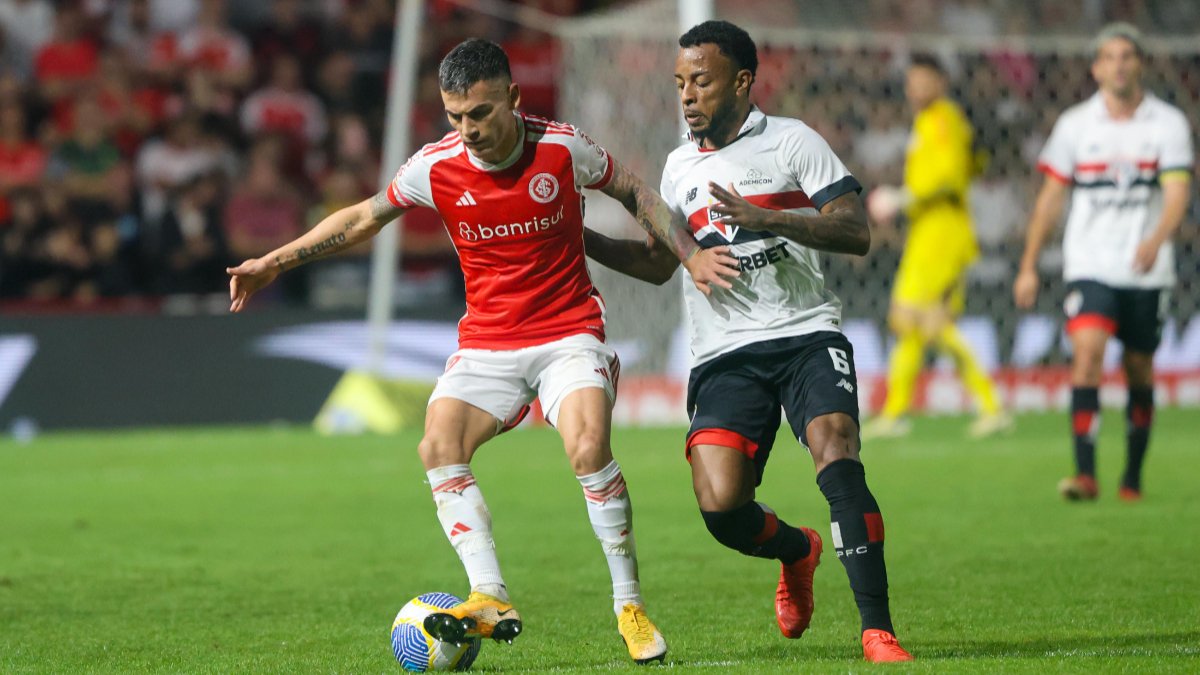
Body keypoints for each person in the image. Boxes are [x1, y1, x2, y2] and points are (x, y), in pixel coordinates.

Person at [226, 38, 737, 664]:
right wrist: (273, 262)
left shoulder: (562, 146)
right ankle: (489, 594)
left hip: (567, 332)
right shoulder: (436, 166)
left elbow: (633, 190)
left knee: (587, 446)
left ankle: (628, 606)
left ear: (514, 99)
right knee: (438, 443)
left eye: (480, 114)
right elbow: (362, 216)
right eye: (455, 117)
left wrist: (689, 254)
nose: (468, 130)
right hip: (488, 342)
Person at [583, 21, 912, 663]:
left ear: (740, 81)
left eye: (700, 81)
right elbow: (658, 264)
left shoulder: (794, 142)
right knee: (721, 506)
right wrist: (580, 238)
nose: (687, 95)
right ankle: (798, 550)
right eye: (679, 83)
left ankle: (878, 629)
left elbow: (855, 231)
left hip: (806, 333)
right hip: (724, 353)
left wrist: (769, 218)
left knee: (836, 448)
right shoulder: (679, 166)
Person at [1013, 23, 1192, 502]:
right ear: (1095, 68)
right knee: (1087, 356)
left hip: (1145, 267)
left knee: (1139, 369)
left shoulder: (1167, 124)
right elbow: (1051, 198)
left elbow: (1177, 192)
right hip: (1089, 264)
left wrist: (1157, 237)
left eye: (1127, 55)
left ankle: (1132, 477)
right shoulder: (1075, 125)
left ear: (1140, 64)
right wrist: (1029, 263)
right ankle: (1086, 474)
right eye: (1109, 56)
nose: (1118, 64)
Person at [862, 54, 1010, 439]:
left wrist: (900, 198)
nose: (915, 88)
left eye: (923, 80)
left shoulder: (943, 119)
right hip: (928, 231)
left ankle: (991, 404)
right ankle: (895, 413)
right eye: (911, 81)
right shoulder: (927, 121)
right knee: (911, 324)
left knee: (919, 319)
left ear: (940, 83)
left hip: (943, 231)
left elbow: (948, 178)